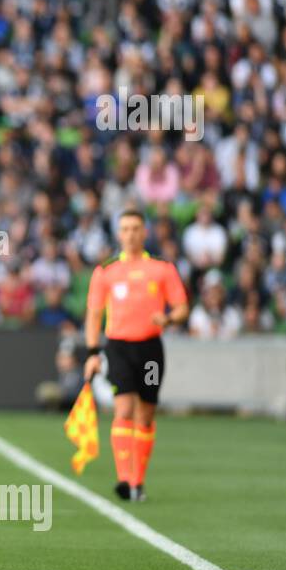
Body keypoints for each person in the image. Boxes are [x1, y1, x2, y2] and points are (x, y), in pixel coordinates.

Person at [82, 209, 190, 502]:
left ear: (144, 233)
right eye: (125, 229)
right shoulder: (106, 271)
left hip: (151, 350)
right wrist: (92, 352)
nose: (130, 234)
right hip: (118, 347)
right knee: (124, 409)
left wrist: (168, 319)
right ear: (118, 234)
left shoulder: (162, 269)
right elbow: (94, 314)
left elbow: (182, 307)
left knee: (146, 414)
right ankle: (124, 478)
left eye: (135, 228)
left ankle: (138, 481)